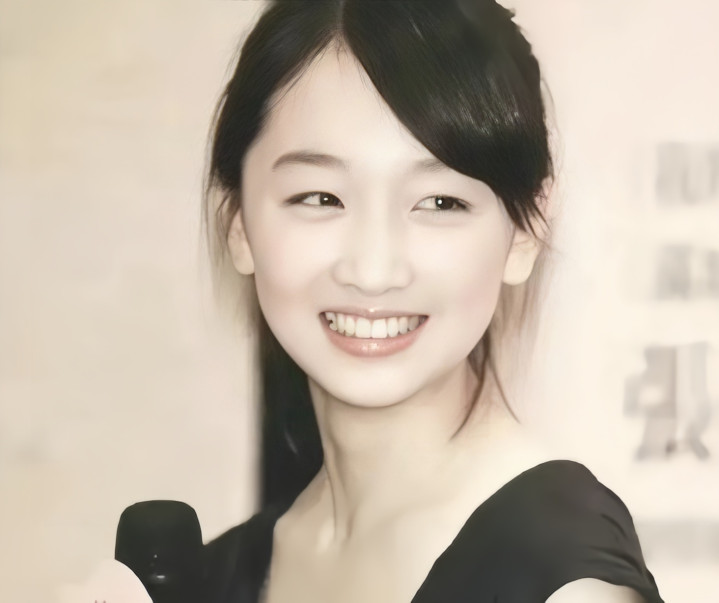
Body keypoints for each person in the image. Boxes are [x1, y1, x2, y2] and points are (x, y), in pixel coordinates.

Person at [201, 1, 665, 601]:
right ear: (237, 221)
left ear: (525, 231)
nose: (373, 271)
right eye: (319, 197)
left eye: (440, 203)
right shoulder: (214, 575)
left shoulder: (566, 586)